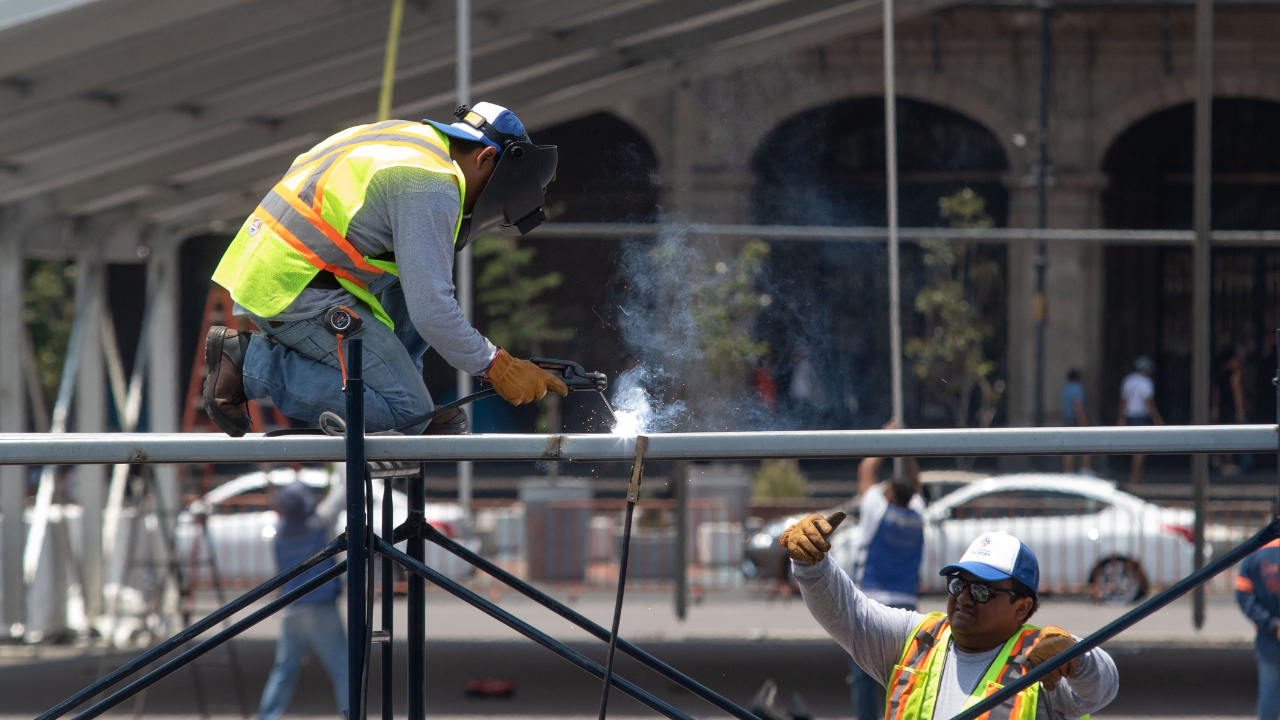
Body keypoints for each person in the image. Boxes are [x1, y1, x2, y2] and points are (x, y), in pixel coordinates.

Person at [202, 103, 568, 437]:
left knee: (417, 288)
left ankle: (401, 397)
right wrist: (497, 366)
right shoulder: (431, 181)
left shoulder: (412, 141)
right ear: (486, 157)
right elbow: (433, 311)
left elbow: (415, 297)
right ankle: (249, 364)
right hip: (292, 287)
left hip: (279, 270)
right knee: (409, 417)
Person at [782, 525, 1118, 720]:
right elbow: (849, 614)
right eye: (959, 583)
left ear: (1022, 606)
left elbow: (1101, 687)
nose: (965, 597)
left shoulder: (1043, 658)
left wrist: (1077, 657)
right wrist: (812, 565)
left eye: (983, 590)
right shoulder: (917, 638)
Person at [847, 435, 926, 720]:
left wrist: (887, 435)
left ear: (890, 492)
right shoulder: (918, 514)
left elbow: (866, 470)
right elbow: (915, 484)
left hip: (871, 604)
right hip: (907, 607)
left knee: (863, 678)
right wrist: (906, 444)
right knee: (904, 678)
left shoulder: (877, 510)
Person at [258, 478, 347, 720]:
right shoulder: (318, 524)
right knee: (343, 669)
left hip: (292, 608)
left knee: (283, 672)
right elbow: (342, 493)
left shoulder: (280, 534)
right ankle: (351, 714)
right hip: (321, 607)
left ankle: (266, 717)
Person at [1236, 539, 1280, 720]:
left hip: (1268, 639)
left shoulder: (1255, 555)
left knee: (1269, 695)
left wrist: (1273, 624)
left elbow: (1244, 596)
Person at [1117, 356, 1163, 483]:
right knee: (1140, 450)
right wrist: (1157, 419)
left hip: (1129, 417)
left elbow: (1123, 401)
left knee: (1137, 449)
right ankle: (1135, 476)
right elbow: (1149, 402)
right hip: (1140, 418)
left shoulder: (1129, 380)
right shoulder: (1145, 382)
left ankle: (1139, 474)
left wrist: (1121, 418)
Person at [1213, 341, 1255, 475]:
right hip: (1231, 408)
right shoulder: (1234, 375)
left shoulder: (1220, 373)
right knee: (1231, 437)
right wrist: (1240, 410)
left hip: (1222, 407)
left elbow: (1216, 393)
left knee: (1223, 436)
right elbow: (1238, 394)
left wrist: (1214, 407)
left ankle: (1220, 461)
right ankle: (1228, 463)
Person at [1060, 370, 1091, 475]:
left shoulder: (1066, 388)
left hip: (1067, 418)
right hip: (1076, 419)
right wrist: (1083, 421)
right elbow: (1077, 404)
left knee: (1068, 446)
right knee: (1087, 443)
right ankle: (1084, 470)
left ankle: (1068, 471)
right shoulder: (1077, 388)